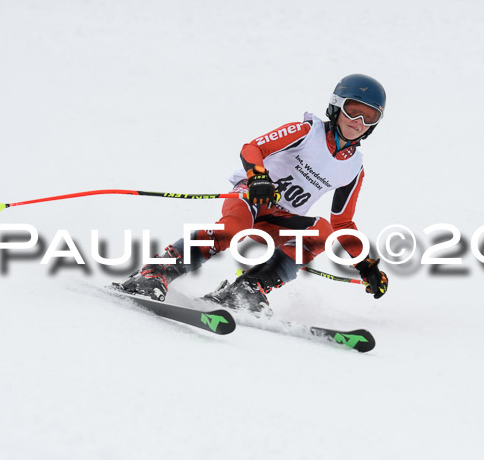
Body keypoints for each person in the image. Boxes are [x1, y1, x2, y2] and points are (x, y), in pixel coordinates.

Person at [119, 74, 389, 312]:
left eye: (370, 116)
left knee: (322, 231)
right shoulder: (307, 132)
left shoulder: (353, 168)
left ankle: (245, 289)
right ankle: (155, 273)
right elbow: (253, 148)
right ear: (336, 106)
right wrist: (258, 177)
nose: (359, 122)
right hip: (252, 196)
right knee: (233, 229)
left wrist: (364, 264)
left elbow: (343, 223)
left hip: (280, 218)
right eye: (353, 111)